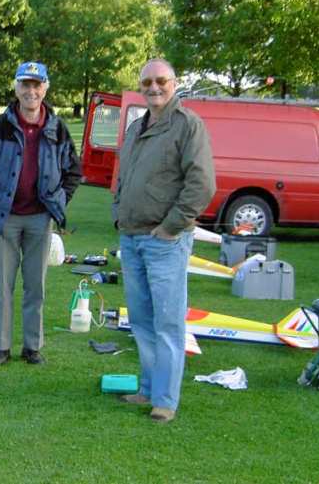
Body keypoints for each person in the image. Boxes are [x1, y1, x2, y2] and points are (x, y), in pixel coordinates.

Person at [112, 58, 216, 422]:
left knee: (168, 323)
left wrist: (172, 226)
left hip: (165, 241)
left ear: (174, 83)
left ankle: (165, 400)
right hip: (132, 237)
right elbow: (123, 178)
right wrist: (118, 213)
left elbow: (201, 184)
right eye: (146, 82)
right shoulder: (137, 128)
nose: (153, 88)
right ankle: (147, 389)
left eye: (161, 81)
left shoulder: (188, 125)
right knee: (140, 321)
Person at [0, 62, 81, 366]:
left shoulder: (57, 128)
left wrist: (59, 201)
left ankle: (33, 346)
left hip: (40, 218)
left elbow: (73, 171)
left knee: (36, 286)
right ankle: (0, 347)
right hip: (6, 219)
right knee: (2, 287)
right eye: (25, 85)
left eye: (37, 85)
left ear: (45, 88)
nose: (31, 91)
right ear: (16, 88)